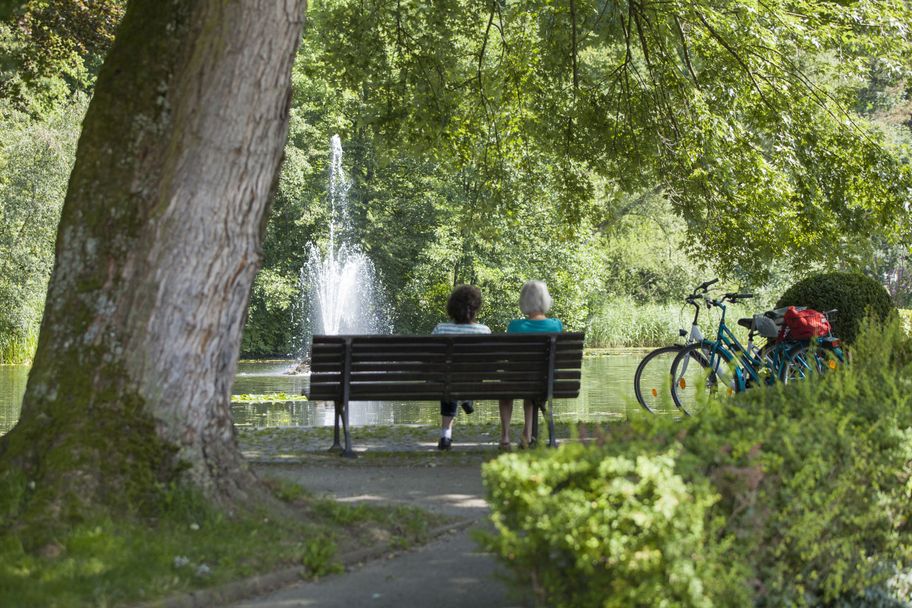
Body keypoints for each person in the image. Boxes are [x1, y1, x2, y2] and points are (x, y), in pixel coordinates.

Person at [498, 280, 563, 451]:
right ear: (545, 300)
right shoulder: (556, 325)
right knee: (533, 389)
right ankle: (526, 435)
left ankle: (505, 437)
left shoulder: (514, 326)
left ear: (524, 301)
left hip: (518, 381)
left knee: (506, 391)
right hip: (546, 382)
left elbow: (508, 358)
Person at [431, 284, 491, 450]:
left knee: (448, 380)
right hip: (474, 381)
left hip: (447, 381)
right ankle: (466, 397)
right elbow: (489, 363)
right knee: (457, 379)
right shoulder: (484, 331)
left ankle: (445, 435)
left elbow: (432, 360)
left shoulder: (441, 329)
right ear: (476, 308)